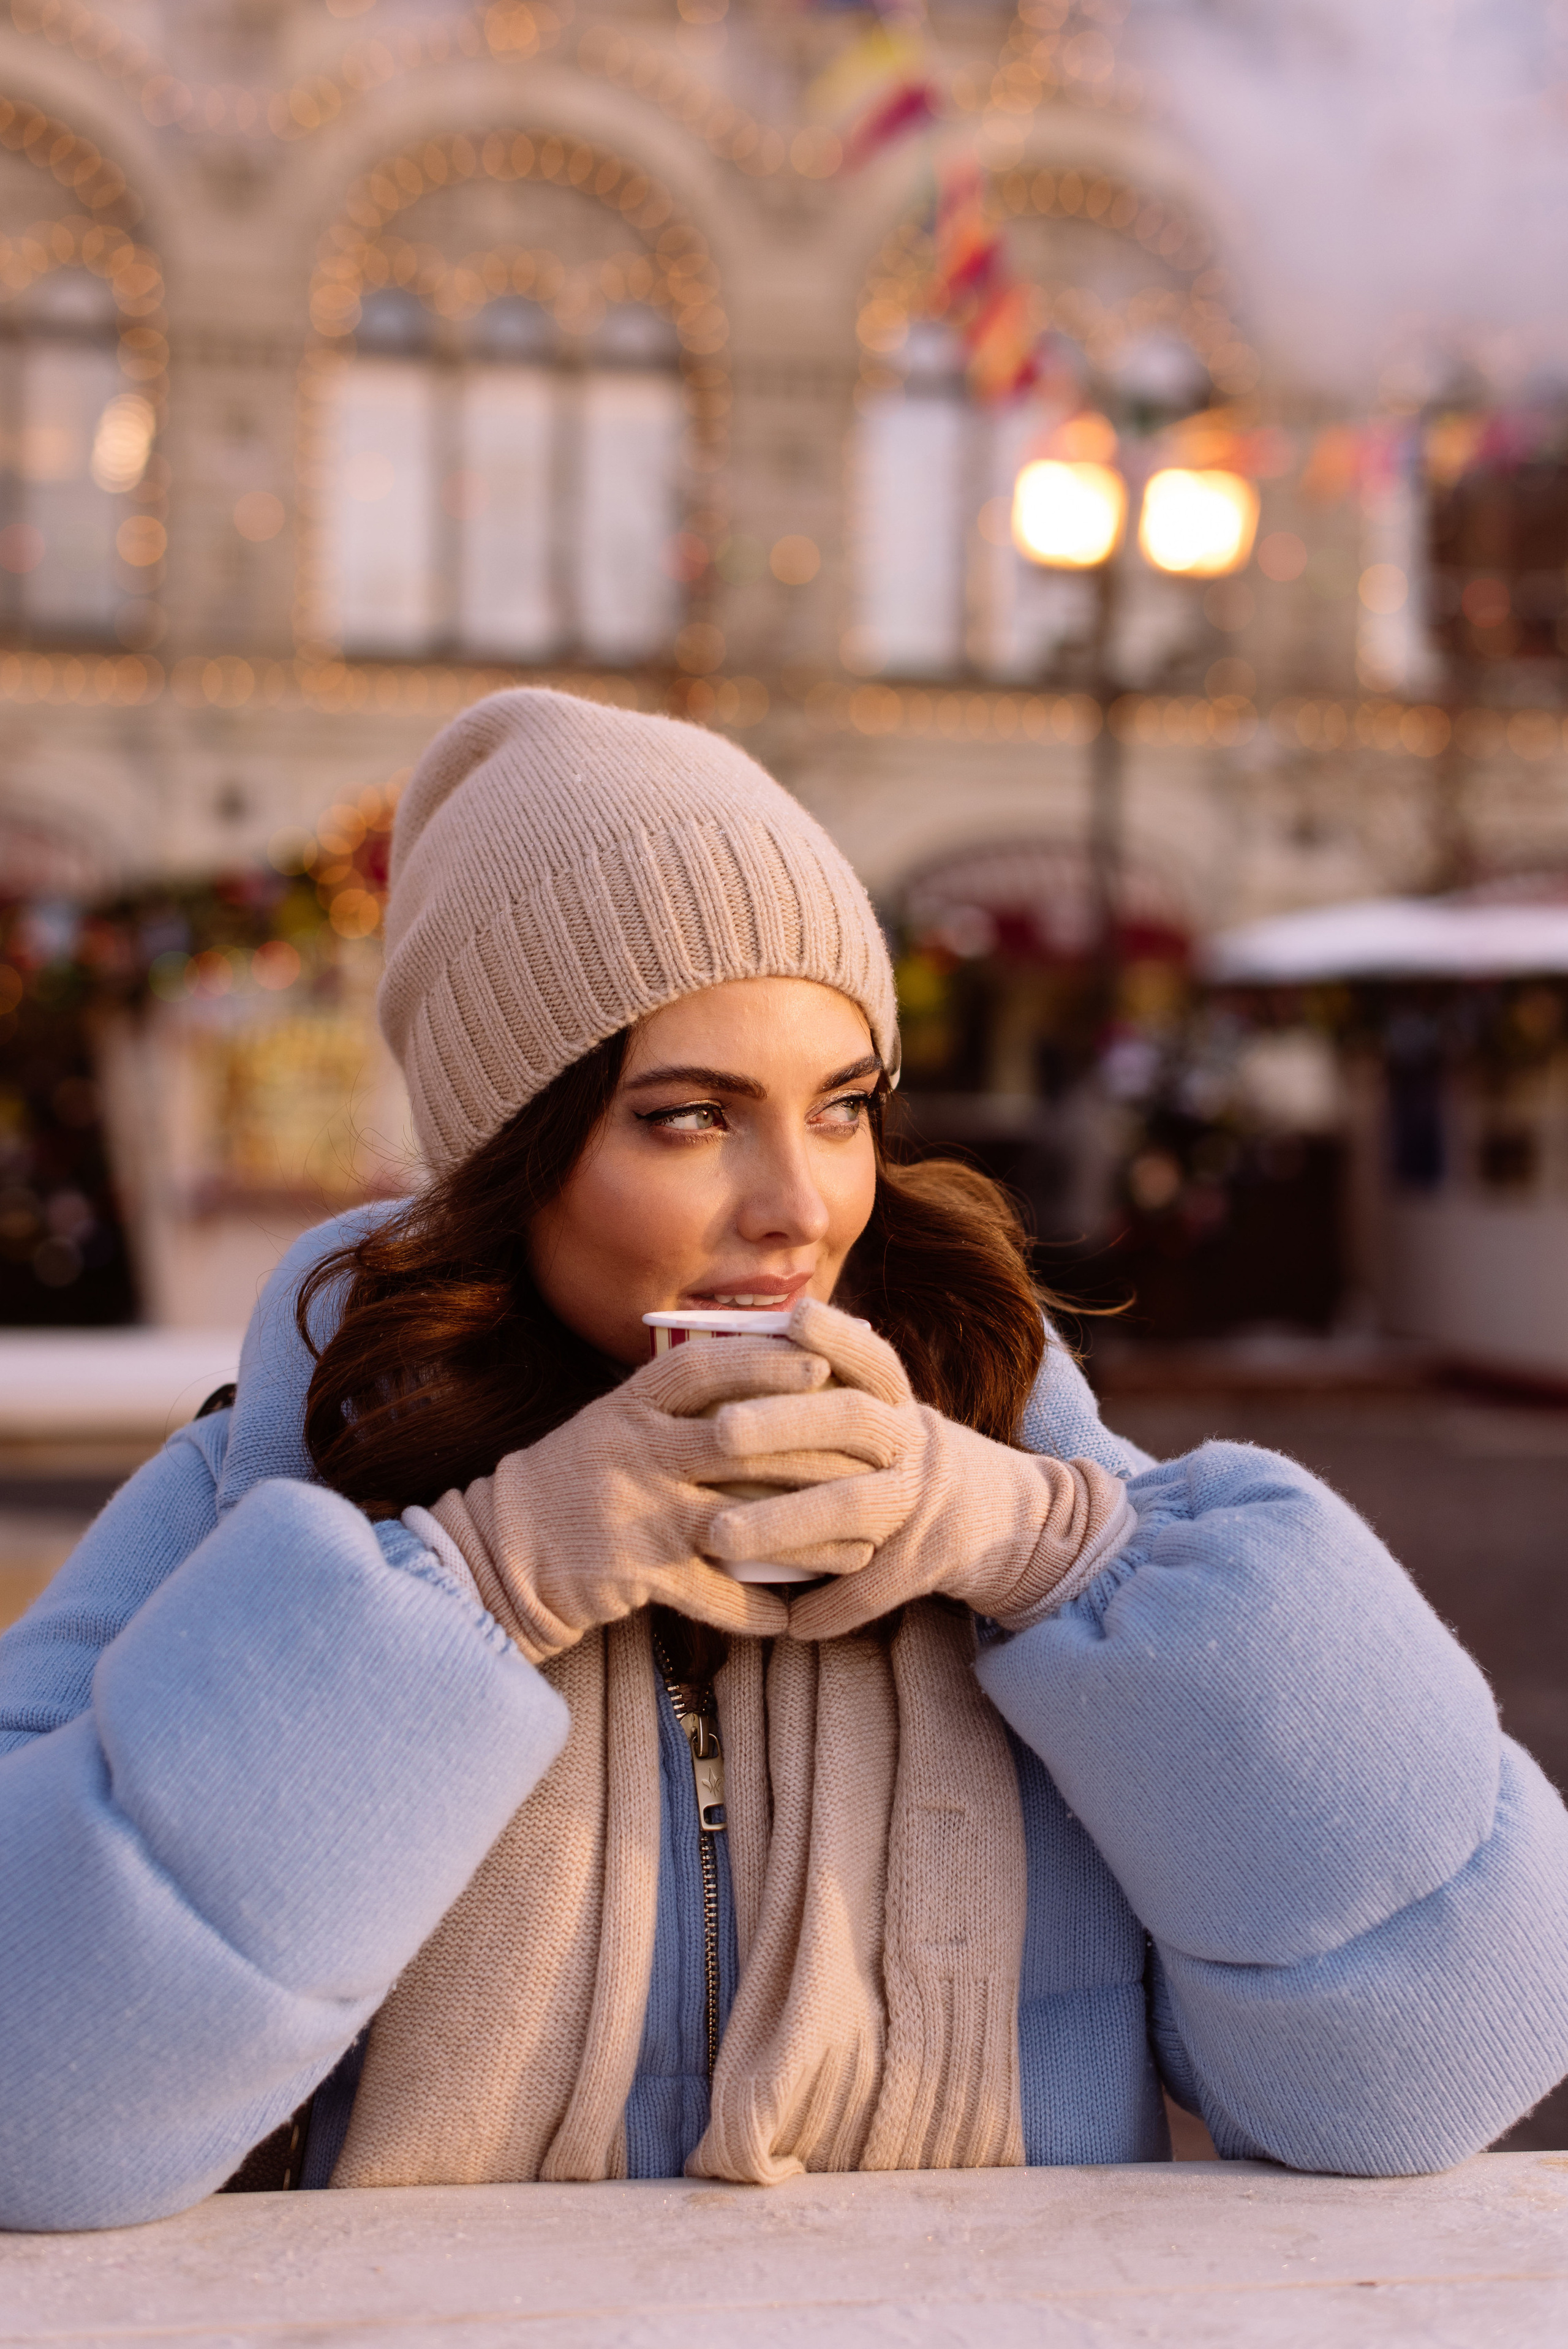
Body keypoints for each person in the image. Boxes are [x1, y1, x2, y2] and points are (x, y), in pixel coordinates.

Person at [2, 688, 1566, 2231]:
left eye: (841, 1108)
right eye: (688, 1116)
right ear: (512, 1153)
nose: (797, 1205)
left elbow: (1432, 2062)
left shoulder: (1019, 1454)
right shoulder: (280, 1491)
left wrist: (1049, 1548)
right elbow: (35, 2107)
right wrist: (476, 1580)